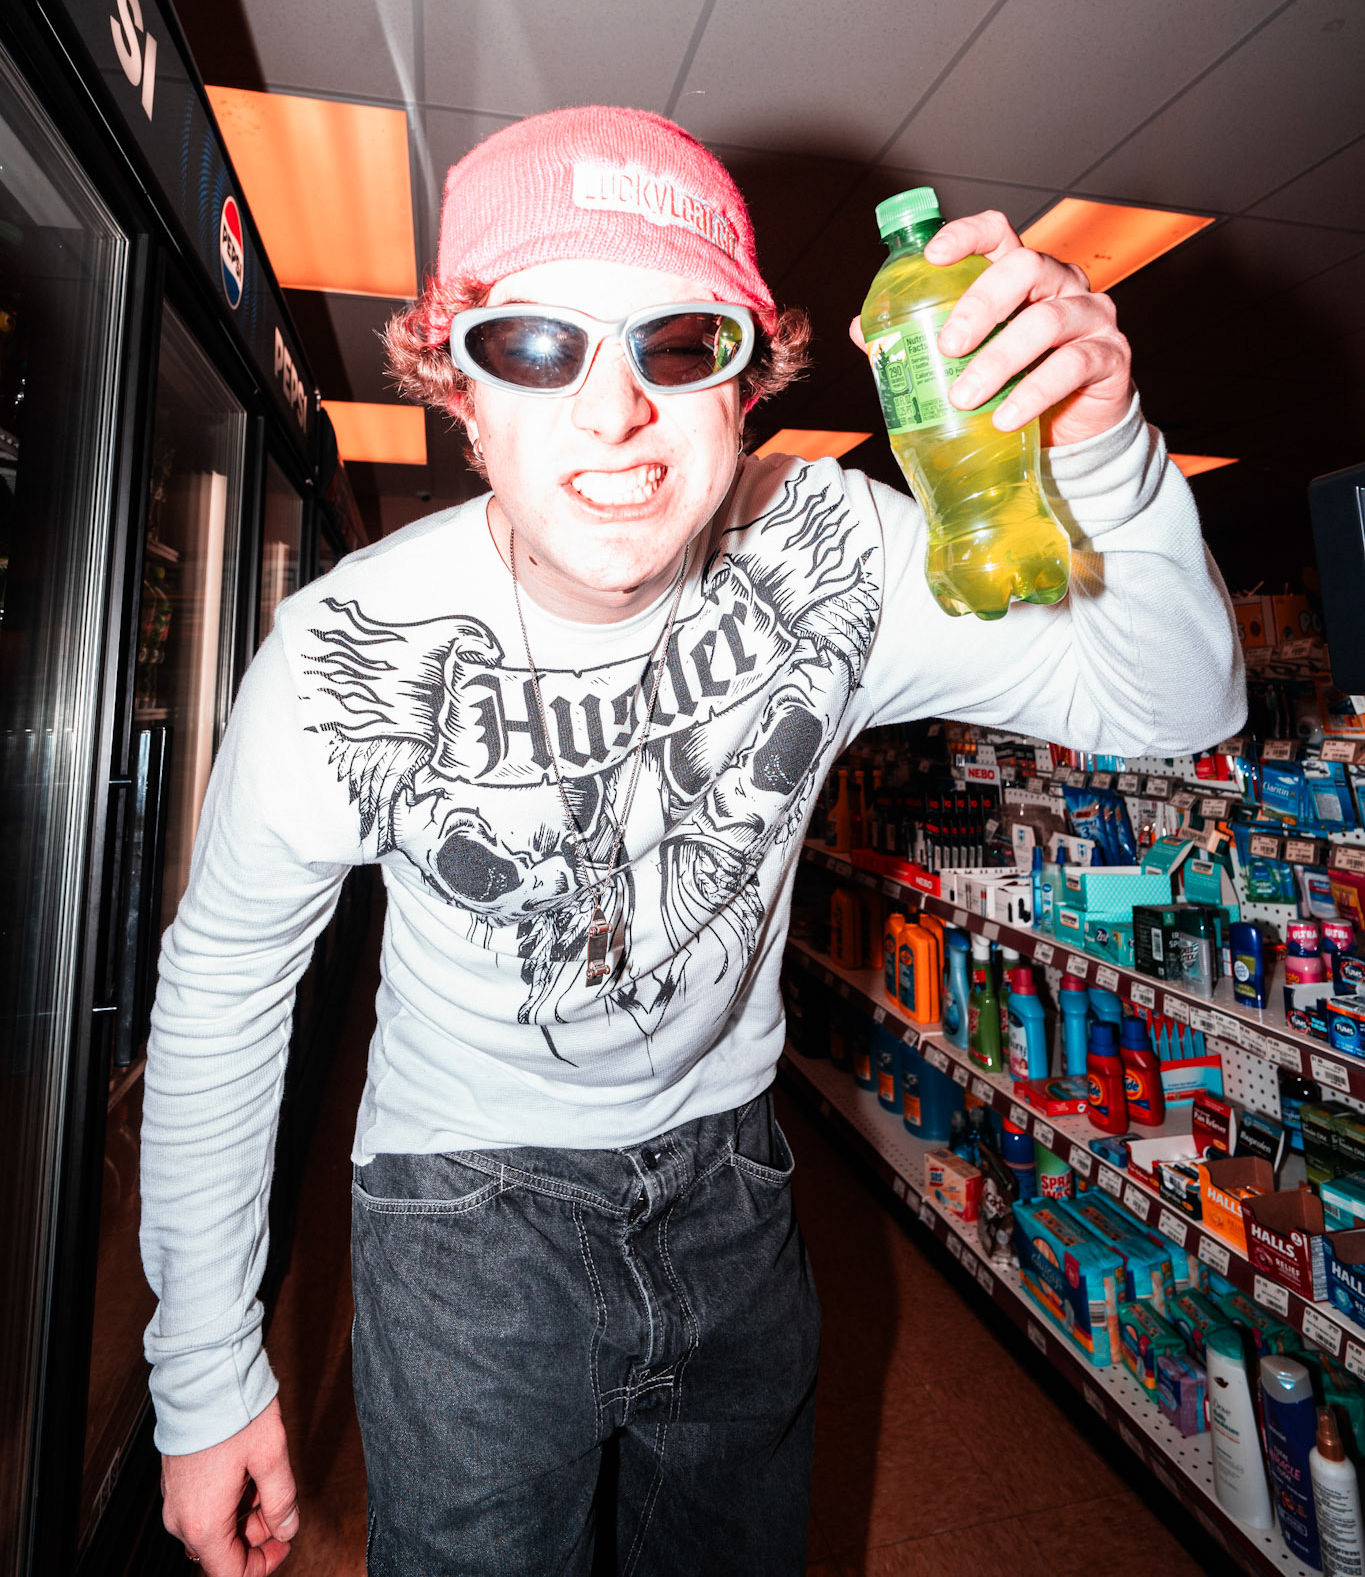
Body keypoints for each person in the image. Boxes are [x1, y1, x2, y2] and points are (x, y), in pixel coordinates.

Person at [144, 107, 1243, 1575]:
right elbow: (224, 987)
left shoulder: (833, 556)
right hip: (461, 1202)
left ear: (748, 384)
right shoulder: (349, 654)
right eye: (535, 344)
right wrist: (202, 1375)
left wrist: (1103, 448)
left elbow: (1176, 702)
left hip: (732, 1176)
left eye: (678, 343)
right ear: (458, 390)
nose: (614, 413)